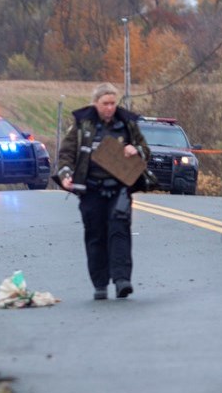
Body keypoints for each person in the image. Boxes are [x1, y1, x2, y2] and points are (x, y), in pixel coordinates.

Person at [56, 82, 155, 301]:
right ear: (96, 103)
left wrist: (135, 150)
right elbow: (66, 154)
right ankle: (100, 283)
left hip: (119, 188)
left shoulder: (127, 124)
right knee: (96, 235)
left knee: (119, 231)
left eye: (113, 103)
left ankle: (122, 280)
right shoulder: (83, 124)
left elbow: (145, 150)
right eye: (105, 103)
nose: (110, 108)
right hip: (91, 190)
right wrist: (65, 175)